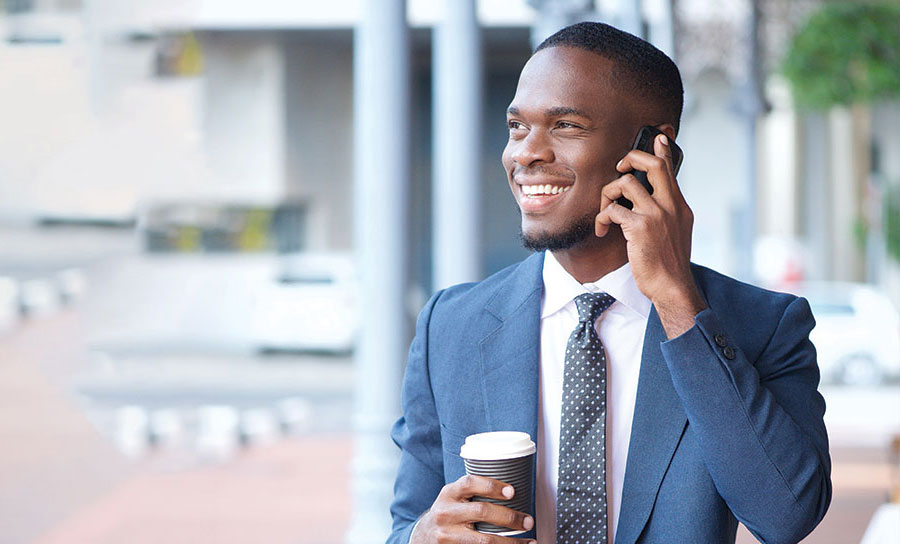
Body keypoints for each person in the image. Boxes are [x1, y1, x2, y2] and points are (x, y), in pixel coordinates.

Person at [387, 21, 831, 544]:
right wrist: (422, 537)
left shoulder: (763, 326)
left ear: (654, 152)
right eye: (516, 127)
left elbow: (786, 517)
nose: (526, 153)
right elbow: (405, 525)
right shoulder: (451, 327)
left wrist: (676, 300)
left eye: (566, 126)